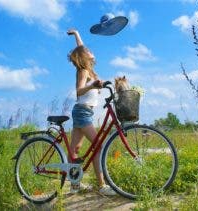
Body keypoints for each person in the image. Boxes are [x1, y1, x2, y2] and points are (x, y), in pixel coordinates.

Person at [67, 29, 116, 196]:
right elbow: (79, 91)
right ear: (84, 57)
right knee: (98, 146)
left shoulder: (90, 70)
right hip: (82, 112)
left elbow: (81, 47)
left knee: (75, 148)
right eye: (88, 51)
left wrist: (76, 34)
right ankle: (102, 185)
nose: (90, 51)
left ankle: (74, 186)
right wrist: (92, 86)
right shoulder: (83, 71)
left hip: (83, 112)